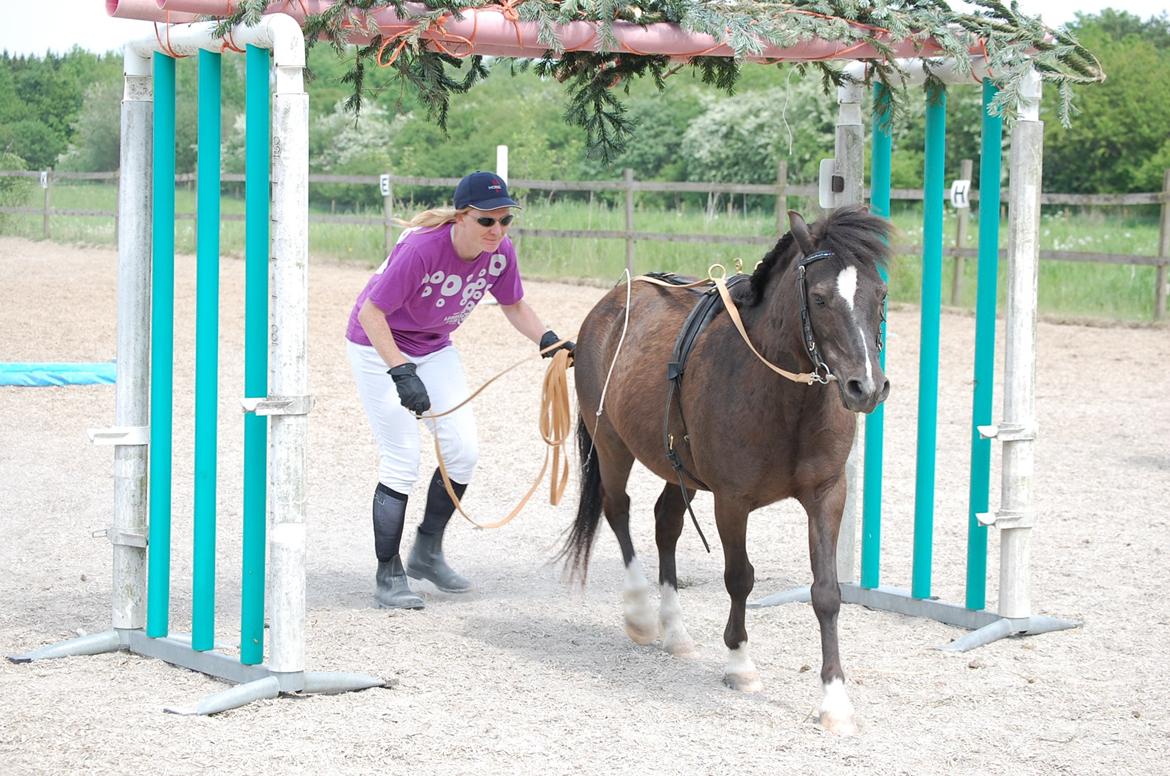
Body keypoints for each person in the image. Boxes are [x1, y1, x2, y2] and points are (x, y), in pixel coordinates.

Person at [346, 171, 574, 610]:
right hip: (377, 345)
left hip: (434, 346)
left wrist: (549, 339)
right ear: (462, 217)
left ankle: (426, 552)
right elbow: (373, 313)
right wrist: (399, 371)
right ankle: (388, 572)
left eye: (506, 220)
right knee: (402, 458)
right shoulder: (422, 248)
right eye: (488, 221)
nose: (499, 230)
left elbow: (514, 304)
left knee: (463, 451)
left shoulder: (499, 253)